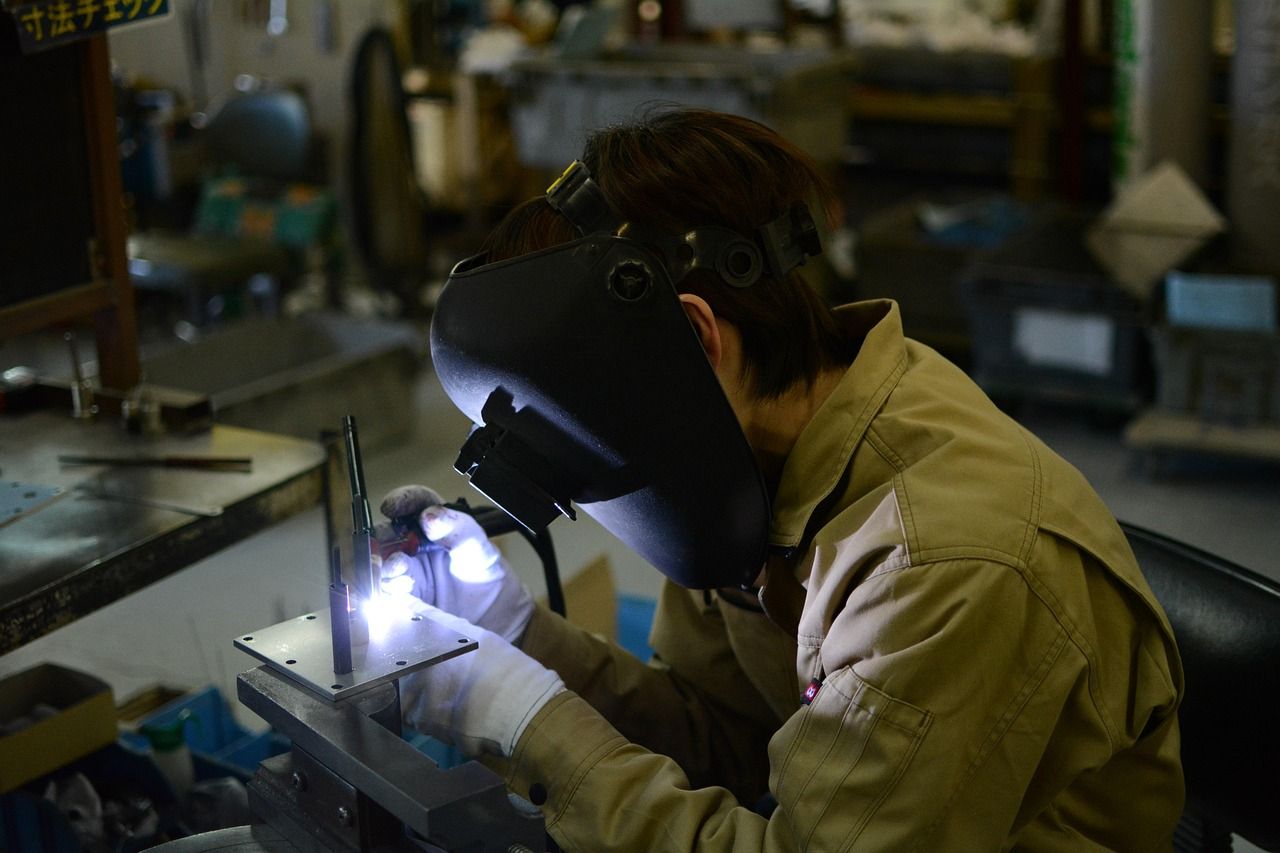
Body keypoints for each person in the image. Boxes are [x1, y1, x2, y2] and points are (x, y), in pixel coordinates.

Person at [377, 108, 1184, 850]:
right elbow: (728, 737)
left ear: (692, 340)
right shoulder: (747, 465)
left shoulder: (946, 564)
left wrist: (521, 721)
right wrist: (518, 635)